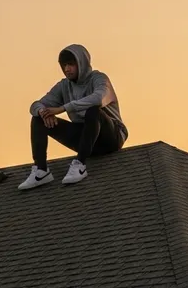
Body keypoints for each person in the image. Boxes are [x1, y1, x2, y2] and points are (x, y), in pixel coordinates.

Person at [19, 44, 128, 189]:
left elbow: (98, 98)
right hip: (86, 140)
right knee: (38, 119)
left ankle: (80, 164)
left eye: (71, 64)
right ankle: (41, 170)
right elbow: (36, 105)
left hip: (111, 137)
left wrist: (63, 108)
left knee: (93, 110)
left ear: (81, 63)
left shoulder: (99, 79)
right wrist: (43, 113)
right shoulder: (64, 86)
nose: (67, 69)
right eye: (64, 65)